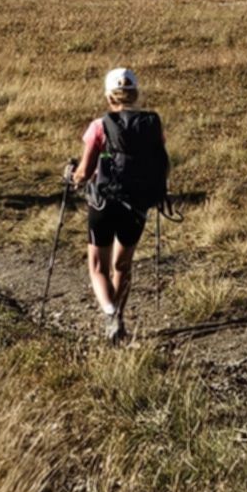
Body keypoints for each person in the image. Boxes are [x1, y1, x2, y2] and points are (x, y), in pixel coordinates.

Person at [71, 67, 170, 342]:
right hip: (137, 203)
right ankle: (119, 321)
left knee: (97, 266)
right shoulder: (152, 124)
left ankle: (111, 313)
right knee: (123, 265)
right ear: (135, 93)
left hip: (103, 203)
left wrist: (72, 174)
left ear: (108, 96)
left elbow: (84, 172)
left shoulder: (100, 126)